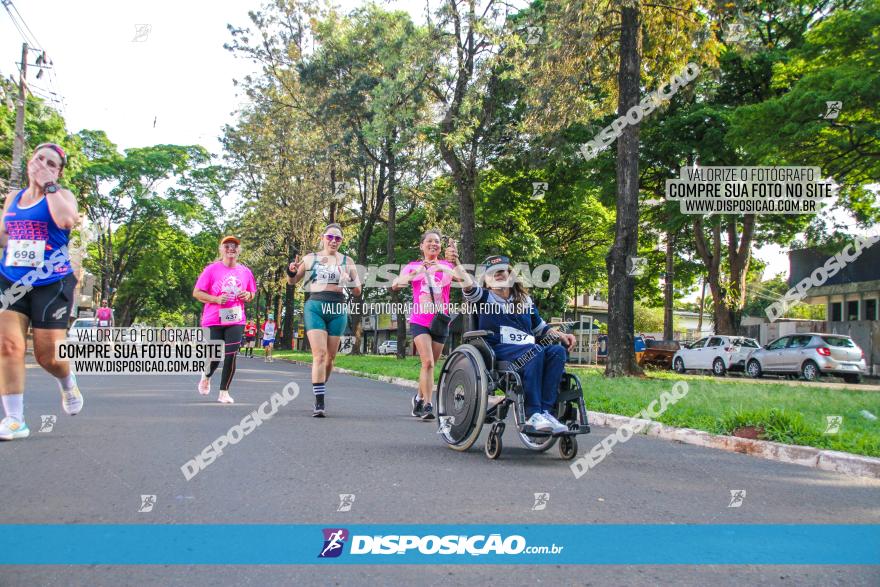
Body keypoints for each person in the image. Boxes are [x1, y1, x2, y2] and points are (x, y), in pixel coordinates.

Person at [0, 143, 82, 440]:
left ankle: (67, 381)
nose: (43, 165)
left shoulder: (62, 196)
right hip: (11, 279)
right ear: (30, 161)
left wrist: (49, 186)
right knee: (8, 346)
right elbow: (3, 236)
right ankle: (14, 419)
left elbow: (66, 220)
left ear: (58, 172)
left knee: (49, 357)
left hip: (51, 281)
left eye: (51, 163)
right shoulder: (14, 198)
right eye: (39, 159)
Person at [451, 253, 577, 434]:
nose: (498, 275)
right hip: (499, 351)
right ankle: (533, 413)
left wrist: (560, 335)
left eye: (501, 271)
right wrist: (455, 261)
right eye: (492, 273)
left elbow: (540, 328)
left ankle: (546, 413)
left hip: (530, 349)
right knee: (535, 350)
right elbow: (468, 285)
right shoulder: (484, 299)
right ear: (486, 281)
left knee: (557, 351)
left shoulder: (525, 301)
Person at [287, 223, 361, 417]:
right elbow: (293, 281)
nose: (334, 241)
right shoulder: (310, 258)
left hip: (337, 307)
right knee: (319, 355)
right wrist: (291, 271)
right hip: (316, 306)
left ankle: (319, 385)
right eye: (330, 237)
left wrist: (348, 280)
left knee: (330, 359)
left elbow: (358, 291)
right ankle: (319, 403)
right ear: (322, 237)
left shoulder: (347, 260)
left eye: (338, 238)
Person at [392, 230, 458, 421]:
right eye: (429, 241)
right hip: (420, 321)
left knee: (431, 365)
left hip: (440, 321)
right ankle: (429, 405)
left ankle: (419, 397)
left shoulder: (446, 265)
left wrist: (443, 267)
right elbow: (396, 285)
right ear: (422, 246)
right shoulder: (413, 266)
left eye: (437, 242)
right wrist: (417, 272)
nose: (434, 244)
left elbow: (462, 280)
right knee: (427, 362)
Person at [192, 235, 256, 404]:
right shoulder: (211, 270)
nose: (231, 249)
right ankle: (206, 376)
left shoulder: (245, 271)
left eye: (234, 246)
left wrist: (248, 295)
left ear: (239, 250)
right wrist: (215, 299)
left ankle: (224, 392)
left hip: (236, 318)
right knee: (215, 355)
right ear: (221, 250)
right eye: (227, 246)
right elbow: (197, 293)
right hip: (213, 319)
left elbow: (252, 293)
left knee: (231, 354)